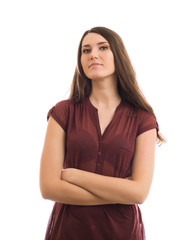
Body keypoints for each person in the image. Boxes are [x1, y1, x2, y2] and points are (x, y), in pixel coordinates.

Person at [40, 26, 165, 240]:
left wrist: (75, 175)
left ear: (119, 55)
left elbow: (139, 193)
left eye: (103, 47)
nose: (93, 55)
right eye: (85, 50)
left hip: (122, 232)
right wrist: (120, 193)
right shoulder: (63, 112)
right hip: (69, 231)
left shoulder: (143, 118)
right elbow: (49, 187)